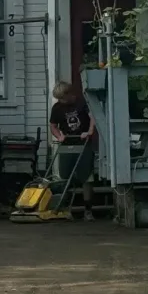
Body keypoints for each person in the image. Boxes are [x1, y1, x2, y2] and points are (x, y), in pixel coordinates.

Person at [48, 81, 97, 220]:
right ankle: (65, 208)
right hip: (66, 144)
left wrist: (89, 131)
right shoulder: (57, 108)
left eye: (62, 98)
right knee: (64, 176)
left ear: (69, 94)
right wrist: (59, 136)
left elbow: (93, 117)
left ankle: (88, 210)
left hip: (83, 143)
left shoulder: (82, 103)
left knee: (87, 176)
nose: (60, 101)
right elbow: (53, 126)